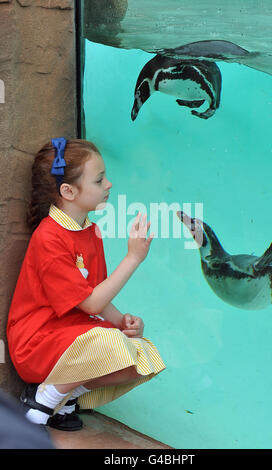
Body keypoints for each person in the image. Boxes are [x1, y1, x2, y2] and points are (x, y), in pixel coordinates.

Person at [6, 138, 165, 431]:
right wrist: (133, 258)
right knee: (111, 345)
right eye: (99, 179)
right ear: (68, 191)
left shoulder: (90, 230)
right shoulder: (49, 237)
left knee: (141, 356)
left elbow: (93, 295)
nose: (109, 184)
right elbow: (91, 303)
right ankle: (43, 400)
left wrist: (123, 323)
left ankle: (65, 394)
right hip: (37, 343)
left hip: (73, 336)